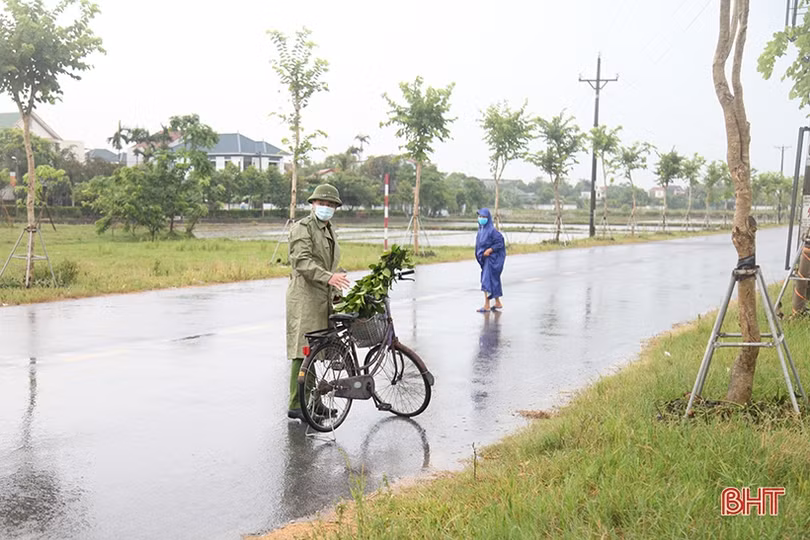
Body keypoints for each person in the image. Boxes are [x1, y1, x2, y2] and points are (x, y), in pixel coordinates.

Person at [285, 184, 351, 421]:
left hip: (323, 295)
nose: (326, 208)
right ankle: (296, 403)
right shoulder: (302, 228)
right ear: (312, 204)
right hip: (305, 296)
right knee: (303, 350)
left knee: (318, 349)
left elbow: (329, 264)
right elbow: (302, 262)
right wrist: (329, 278)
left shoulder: (329, 229)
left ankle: (314, 401)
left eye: (331, 204)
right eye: (322, 203)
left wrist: (334, 288)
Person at [475, 208, 505, 313]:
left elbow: (500, 242)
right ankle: (497, 302)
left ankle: (487, 305)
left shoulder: (492, 231)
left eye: (484, 217)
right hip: (485, 259)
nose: (481, 219)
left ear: (488, 218)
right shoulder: (481, 230)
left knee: (486, 281)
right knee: (493, 281)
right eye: (480, 217)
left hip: (491, 260)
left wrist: (490, 250)